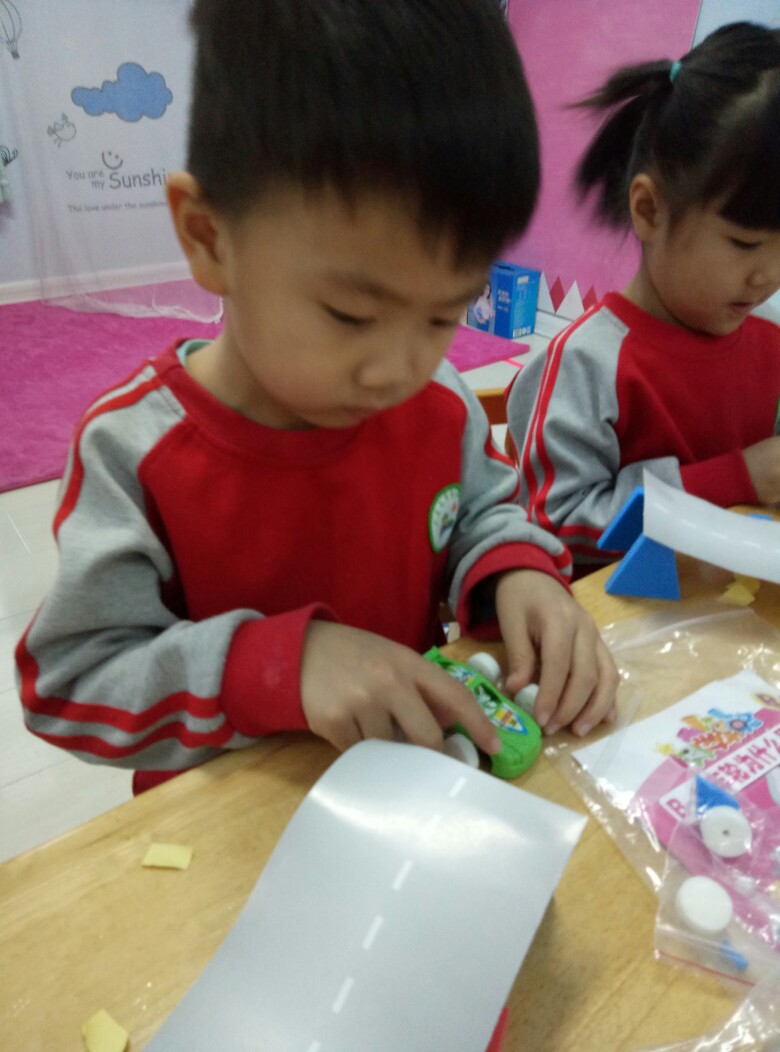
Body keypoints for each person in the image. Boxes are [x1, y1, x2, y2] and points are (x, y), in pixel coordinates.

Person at [16, 0, 618, 799]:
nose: (398, 371)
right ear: (208, 237)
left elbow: (483, 513)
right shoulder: (134, 453)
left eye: (443, 317)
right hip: (226, 831)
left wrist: (518, 574)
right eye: (352, 316)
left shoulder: (439, 404)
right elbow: (69, 684)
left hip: (410, 793)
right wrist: (281, 665)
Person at [507, 21, 780, 576]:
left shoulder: (770, 339)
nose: (767, 276)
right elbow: (556, 529)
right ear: (650, 211)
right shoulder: (585, 365)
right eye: (745, 244)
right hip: (615, 623)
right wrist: (738, 478)